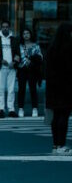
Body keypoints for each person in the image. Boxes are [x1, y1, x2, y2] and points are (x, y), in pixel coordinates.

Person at [44, 22, 71, 155]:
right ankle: (62, 144)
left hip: (52, 87)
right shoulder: (68, 48)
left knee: (55, 116)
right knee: (64, 115)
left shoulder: (51, 48)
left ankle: (55, 145)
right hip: (65, 86)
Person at [0, 20, 20, 118]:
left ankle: (11, 109)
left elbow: (18, 53)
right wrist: (0, 60)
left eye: (7, 27)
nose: (5, 28)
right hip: (0, 68)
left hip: (11, 68)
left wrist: (14, 62)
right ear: (1, 28)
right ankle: (1, 109)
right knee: (0, 89)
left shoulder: (14, 39)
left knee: (11, 89)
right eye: (3, 27)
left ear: (9, 28)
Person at [16, 28, 43, 118]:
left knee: (33, 89)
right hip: (22, 69)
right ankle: (20, 108)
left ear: (31, 34)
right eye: (24, 33)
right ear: (22, 35)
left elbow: (40, 58)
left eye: (28, 33)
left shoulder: (36, 46)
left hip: (32, 69)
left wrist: (32, 59)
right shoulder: (19, 46)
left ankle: (35, 108)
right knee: (21, 89)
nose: (26, 35)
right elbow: (15, 57)